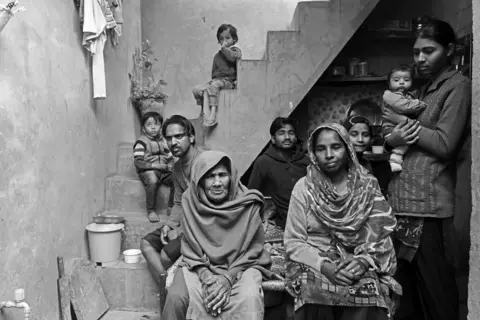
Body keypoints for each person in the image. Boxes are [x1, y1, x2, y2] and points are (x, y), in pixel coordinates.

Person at [383, 18, 471, 320]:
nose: (420, 58)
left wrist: (401, 124)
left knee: (437, 297)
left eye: (429, 51)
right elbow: (404, 139)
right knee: (407, 299)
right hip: (404, 206)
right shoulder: (424, 90)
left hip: (431, 210)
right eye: (417, 51)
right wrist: (391, 139)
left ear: (449, 50)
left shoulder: (457, 87)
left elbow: (445, 143)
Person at [284, 123, 400, 320]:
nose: (329, 154)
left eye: (336, 147)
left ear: (347, 149)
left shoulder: (367, 186)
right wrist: (324, 266)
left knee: (370, 293)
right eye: (321, 149)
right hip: (314, 261)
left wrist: (364, 261)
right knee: (309, 291)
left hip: (355, 259)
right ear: (313, 153)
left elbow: (380, 235)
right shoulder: (304, 188)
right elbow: (293, 242)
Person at [162, 151, 275, 319]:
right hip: (199, 264)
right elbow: (189, 246)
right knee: (176, 298)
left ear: (231, 177)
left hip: (240, 267)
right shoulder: (190, 201)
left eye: (222, 175)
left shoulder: (248, 204)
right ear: (199, 180)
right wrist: (205, 275)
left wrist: (228, 279)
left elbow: (254, 250)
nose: (216, 183)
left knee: (249, 299)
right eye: (209, 176)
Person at [141, 115, 203, 286]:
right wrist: (169, 225)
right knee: (146, 244)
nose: (173, 142)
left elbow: (208, 208)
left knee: (165, 255)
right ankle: (167, 289)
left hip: (204, 226)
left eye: (179, 136)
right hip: (186, 222)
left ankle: (178, 291)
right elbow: (178, 202)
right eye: (168, 138)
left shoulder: (204, 163)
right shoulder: (177, 168)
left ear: (191, 137)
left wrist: (181, 230)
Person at [192, 24, 242, 127]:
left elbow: (232, 58)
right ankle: (204, 111)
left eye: (227, 38)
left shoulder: (235, 51)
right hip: (216, 81)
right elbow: (214, 73)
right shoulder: (217, 56)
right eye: (221, 39)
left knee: (214, 85)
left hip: (228, 81)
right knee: (197, 89)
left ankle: (213, 113)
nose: (224, 41)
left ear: (234, 39)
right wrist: (212, 81)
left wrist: (224, 49)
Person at [382, 65, 427, 172]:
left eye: (406, 80)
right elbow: (404, 107)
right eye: (396, 80)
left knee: (408, 142)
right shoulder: (389, 95)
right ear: (389, 83)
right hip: (391, 129)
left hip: (400, 127)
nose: (401, 82)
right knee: (404, 143)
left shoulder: (408, 95)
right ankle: (394, 160)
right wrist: (420, 104)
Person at [133, 112, 174, 222]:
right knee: (152, 180)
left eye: (156, 124)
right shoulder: (141, 142)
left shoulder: (164, 140)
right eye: (149, 125)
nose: (153, 127)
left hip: (163, 169)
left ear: (161, 126)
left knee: (176, 177)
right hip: (148, 170)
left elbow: (170, 155)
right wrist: (155, 165)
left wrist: (170, 164)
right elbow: (138, 162)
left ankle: (171, 207)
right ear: (143, 128)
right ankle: (151, 211)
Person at [342, 115, 392, 197]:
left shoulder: (380, 166)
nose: (360, 139)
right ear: (344, 136)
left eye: (365, 135)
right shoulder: (337, 165)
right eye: (354, 134)